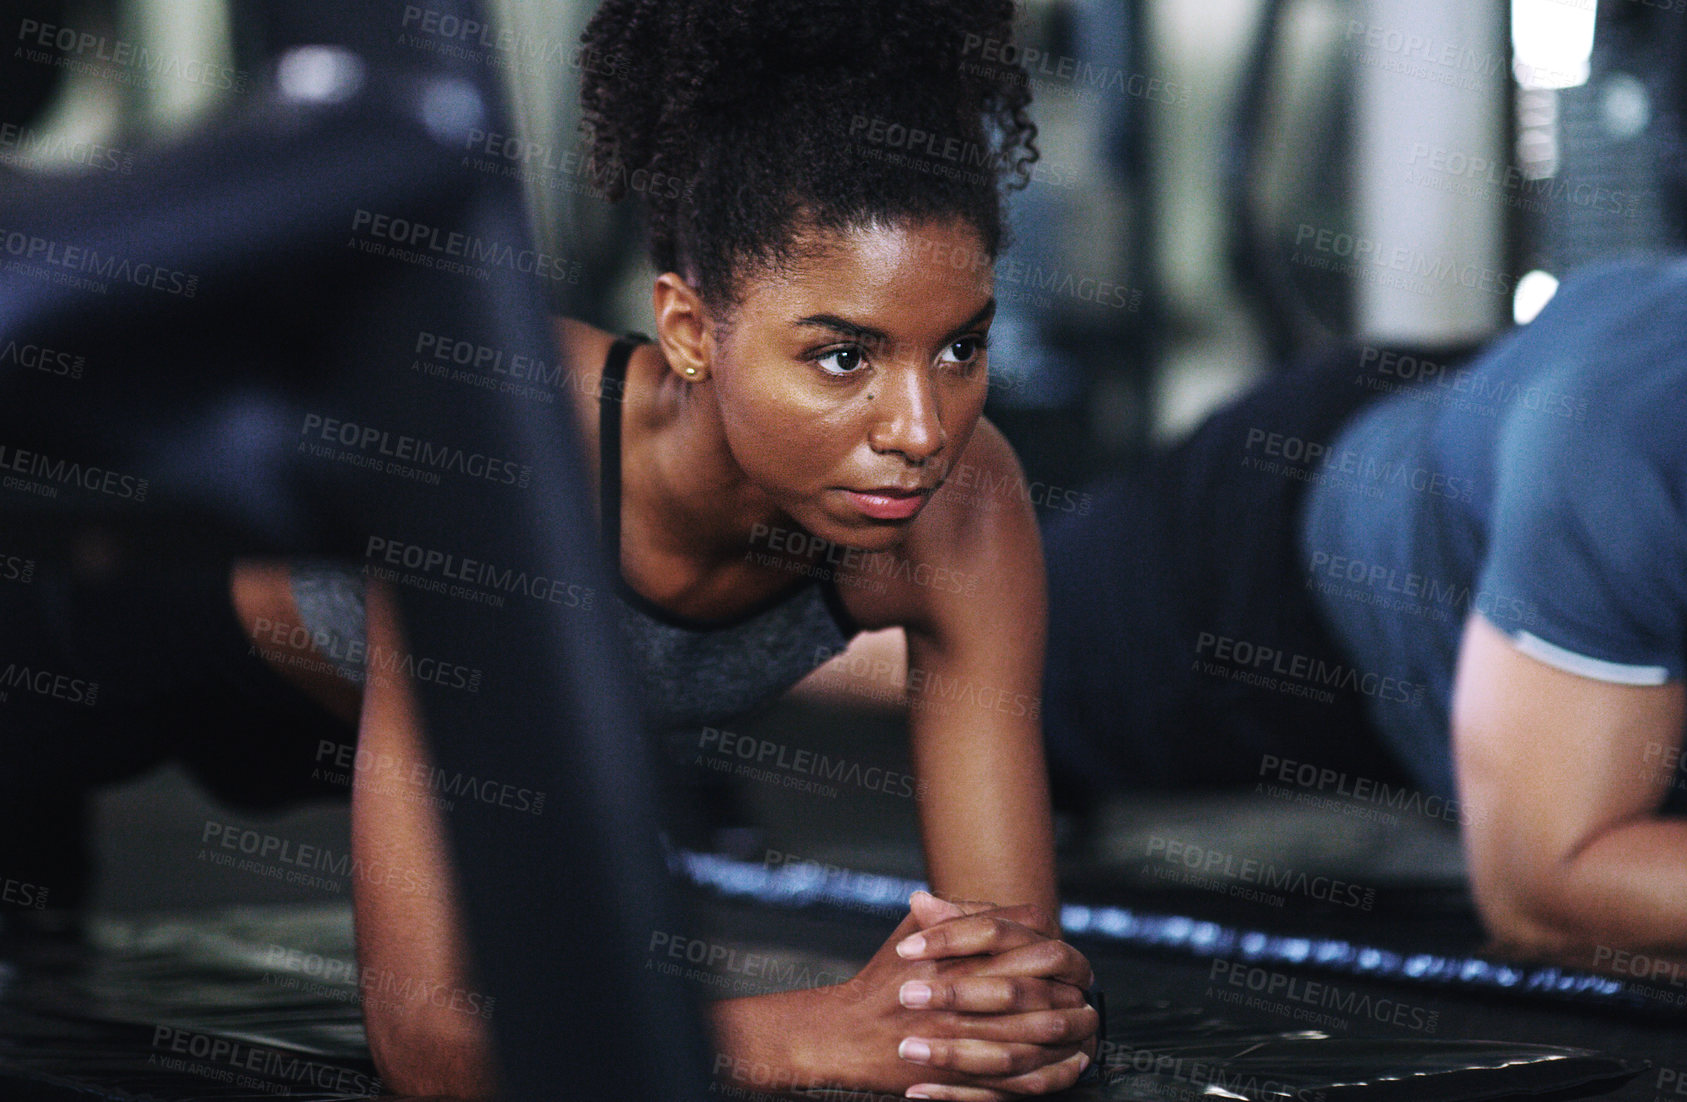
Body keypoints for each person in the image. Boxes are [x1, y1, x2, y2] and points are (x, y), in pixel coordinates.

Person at [0, 1, 1098, 1098]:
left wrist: (987, 1021)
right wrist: (815, 1035)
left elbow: (1009, 982)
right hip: (87, 642)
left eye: (961, 346)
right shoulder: (514, 448)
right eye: (843, 356)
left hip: (436, 743)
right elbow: (428, 1050)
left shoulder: (968, 505)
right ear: (685, 331)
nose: (918, 426)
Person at [1038, 252, 1687, 967]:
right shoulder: (1644, 451)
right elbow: (1542, 895)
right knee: (957, 644)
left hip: (1491, 421)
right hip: (1281, 556)